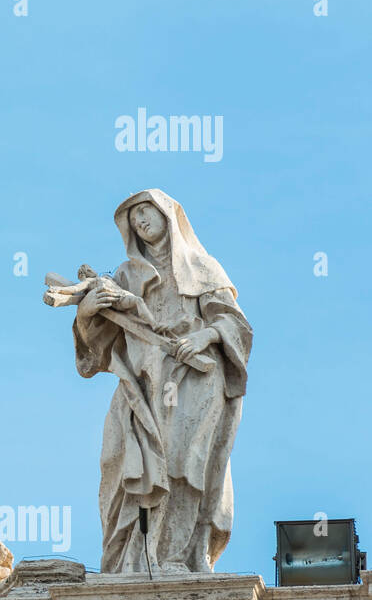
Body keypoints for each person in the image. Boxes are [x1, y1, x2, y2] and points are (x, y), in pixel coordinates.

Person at [73, 189, 250, 573]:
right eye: (132, 216)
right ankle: (132, 562)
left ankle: (175, 556)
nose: (139, 220)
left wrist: (204, 336)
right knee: (120, 462)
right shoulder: (124, 277)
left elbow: (234, 323)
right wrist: (86, 314)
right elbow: (98, 350)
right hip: (141, 385)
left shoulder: (202, 267)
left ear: (167, 214)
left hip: (194, 378)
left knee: (185, 464)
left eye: (145, 211)